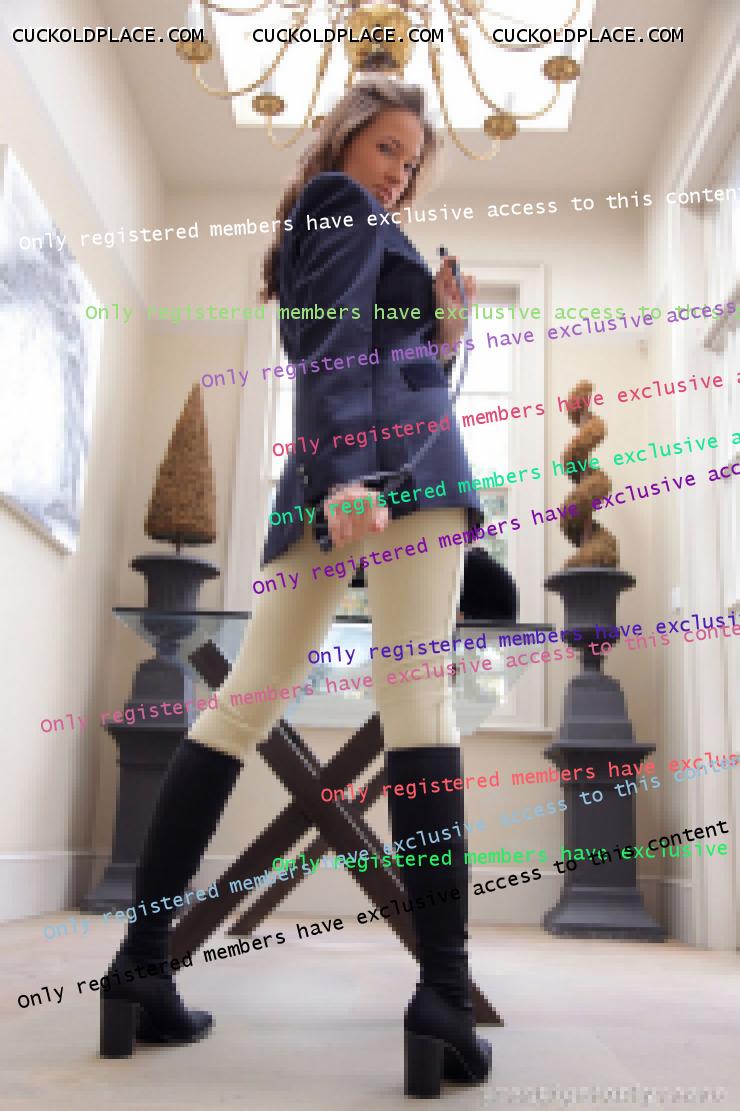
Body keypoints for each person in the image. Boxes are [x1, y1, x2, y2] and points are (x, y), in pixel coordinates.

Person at [99, 76, 492, 1098]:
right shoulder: (337, 200)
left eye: (411, 161)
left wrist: (445, 337)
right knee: (418, 700)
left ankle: (139, 964)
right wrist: (354, 474)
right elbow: (329, 343)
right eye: (388, 147)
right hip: (392, 472)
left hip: (334, 471)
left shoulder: (348, 217)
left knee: (241, 706)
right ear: (346, 135)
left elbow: (375, 353)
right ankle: (442, 996)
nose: (398, 172)